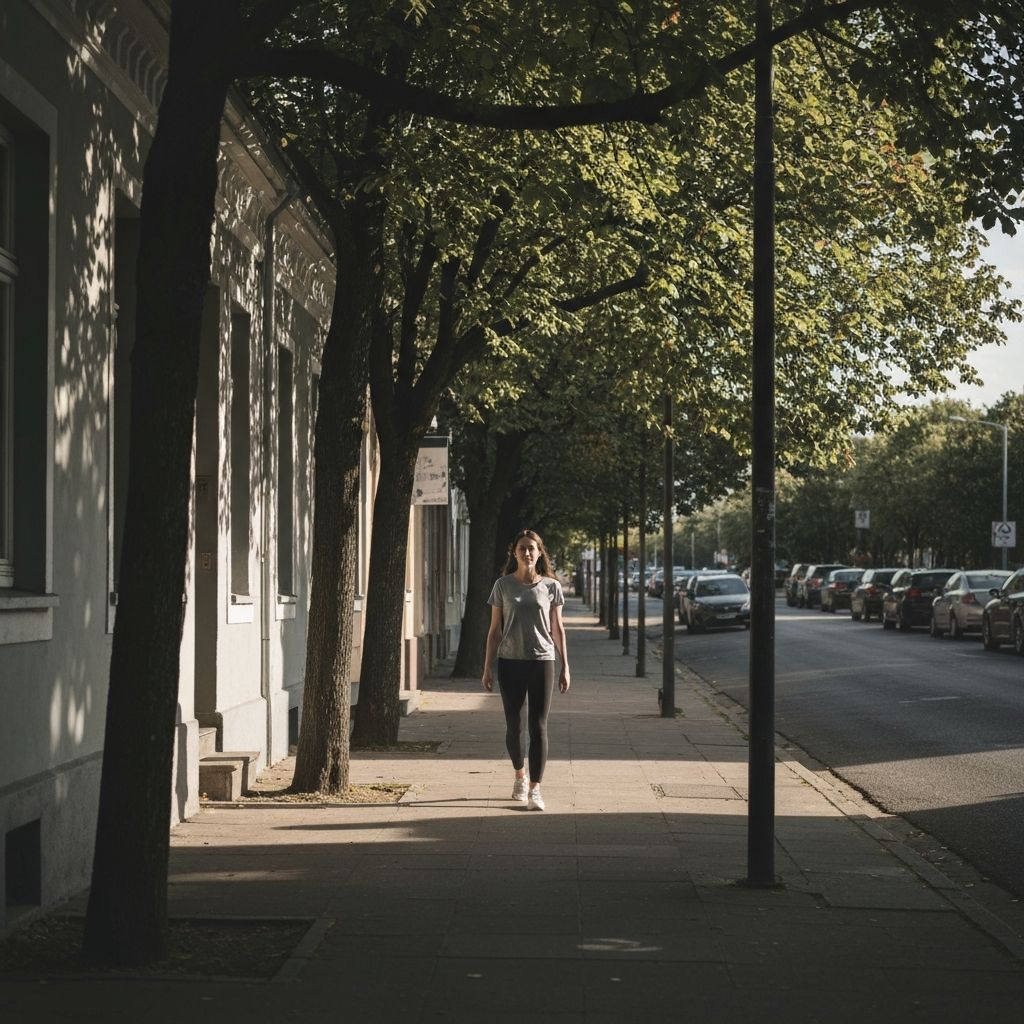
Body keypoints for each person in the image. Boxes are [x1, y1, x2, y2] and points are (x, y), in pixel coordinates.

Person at [482, 529, 570, 811]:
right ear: (515, 553)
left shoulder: (552, 587)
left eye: (532, 548)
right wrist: (487, 667)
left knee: (538, 725)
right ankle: (520, 775)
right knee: (514, 725)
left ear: (539, 552)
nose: (527, 553)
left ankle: (535, 789)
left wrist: (565, 665)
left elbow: (557, 629)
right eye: (522, 548)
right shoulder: (503, 586)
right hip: (510, 662)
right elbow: (494, 631)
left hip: (542, 662)